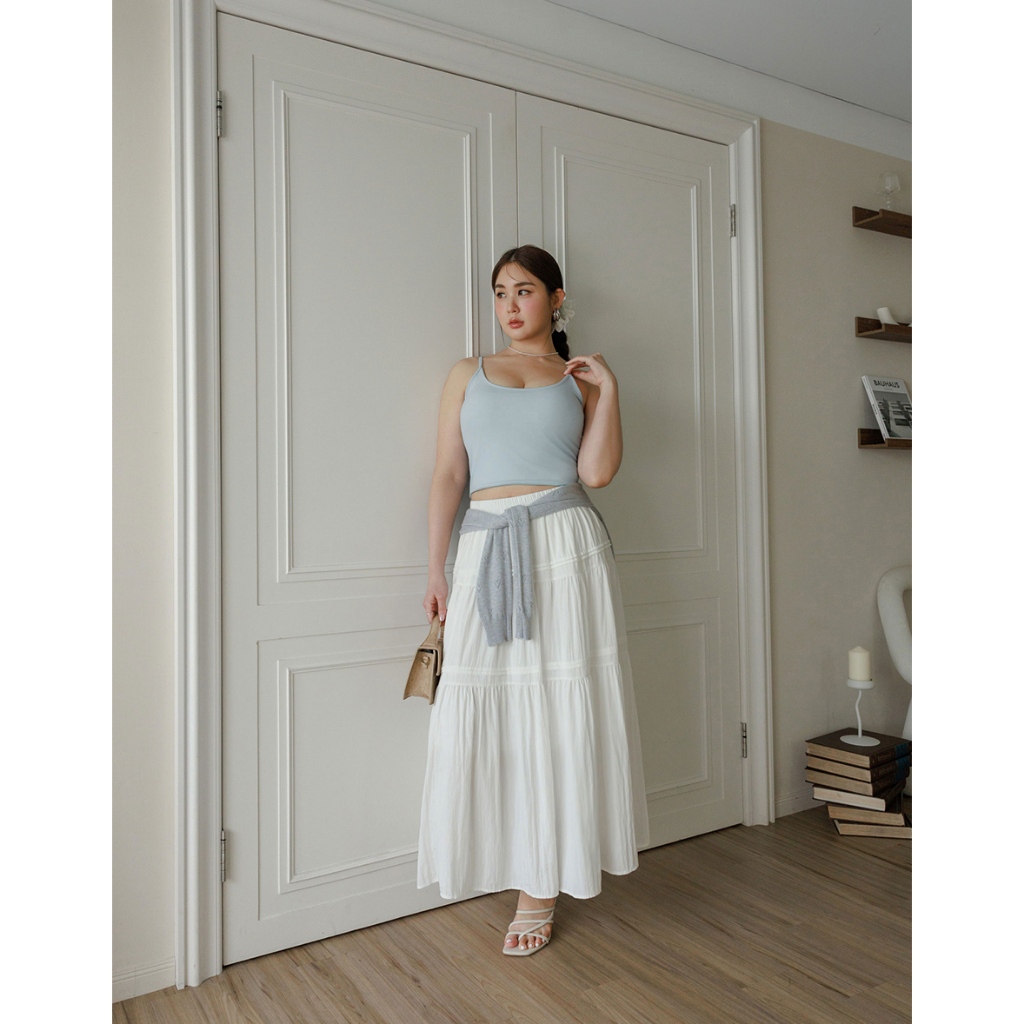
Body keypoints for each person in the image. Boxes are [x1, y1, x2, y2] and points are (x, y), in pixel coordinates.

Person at [417, 245, 649, 956]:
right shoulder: (466, 373)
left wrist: (609, 391)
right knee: (488, 708)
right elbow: (449, 473)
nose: (510, 305)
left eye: (523, 290)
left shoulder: (579, 379)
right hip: (486, 545)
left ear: (556, 298)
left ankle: (541, 886)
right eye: (499, 292)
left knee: (557, 710)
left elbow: (596, 474)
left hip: (565, 547)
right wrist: (436, 568)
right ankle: (502, 856)